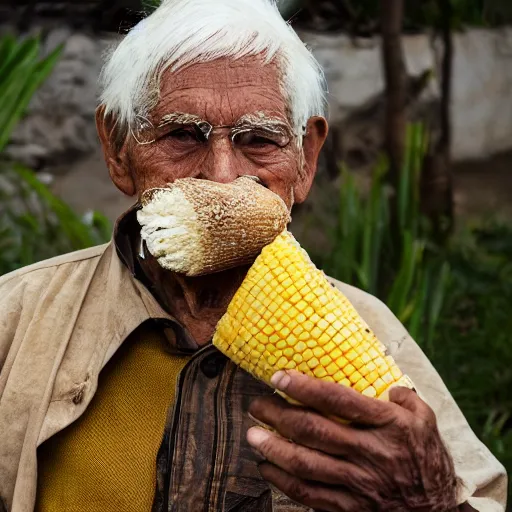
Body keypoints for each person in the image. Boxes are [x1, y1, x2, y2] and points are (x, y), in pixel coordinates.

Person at [0, 0, 506, 511]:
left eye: (260, 139)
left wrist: (430, 501)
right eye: (181, 135)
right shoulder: (17, 318)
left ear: (306, 160)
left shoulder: (379, 339)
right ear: (117, 148)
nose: (222, 177)